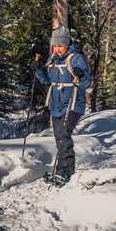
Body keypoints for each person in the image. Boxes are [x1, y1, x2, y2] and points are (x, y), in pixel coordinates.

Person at [31, 26, 90, 185]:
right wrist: (38, 71)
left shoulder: (75, 58)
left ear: (67, 44)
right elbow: (47, 80)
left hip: (72, 103)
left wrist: (81, 74)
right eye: (55, 46)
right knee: (59, 137)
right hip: (56, 103)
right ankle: (64, 170)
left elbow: (86, 82)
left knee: (64, 135)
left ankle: (64, 172)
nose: (57, 49)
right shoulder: (53, 59)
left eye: (60, 46)